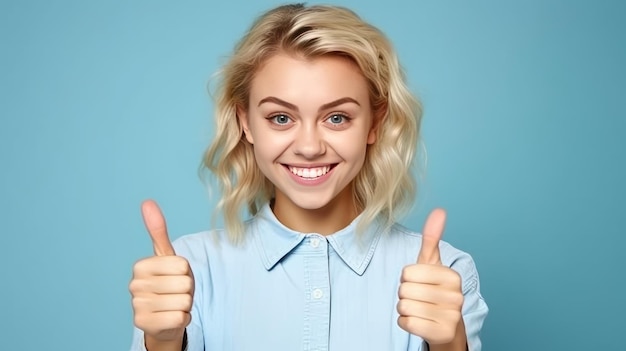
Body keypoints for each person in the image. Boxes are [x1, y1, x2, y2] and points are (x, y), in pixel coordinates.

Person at [129, 3, 488, 351]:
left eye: (337, 118)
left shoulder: (445, 272)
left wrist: (449, 346)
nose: (309, 147)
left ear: (374, 124)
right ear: (245, 123)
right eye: (281, 118)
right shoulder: (186, 271)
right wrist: (162, 344)